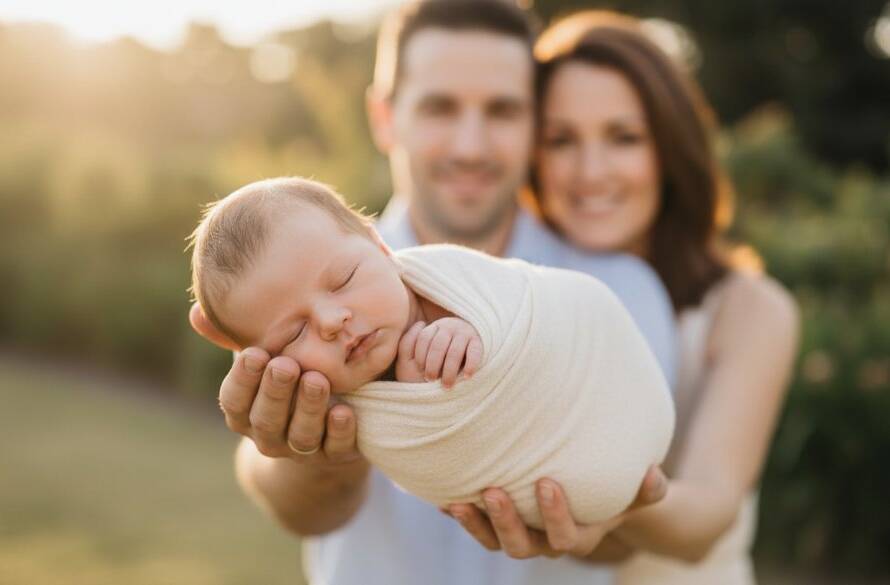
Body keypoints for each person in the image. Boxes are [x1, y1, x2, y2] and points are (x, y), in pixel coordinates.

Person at [189, 2, 676, 584]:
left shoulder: (615, 288)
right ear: (385, 116)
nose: (471, 146)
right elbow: (294, 504)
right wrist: (315, 453)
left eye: (502, 110)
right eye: (440, 108)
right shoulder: (289, 283)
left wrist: (602, 520)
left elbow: (633, 489)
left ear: (533, 124)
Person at [450, 10, 800, 584]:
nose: (591, 172)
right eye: (562, 140)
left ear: (670, 147)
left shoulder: (748, 310)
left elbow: (708, 514)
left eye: (624, 137)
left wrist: (606, 498)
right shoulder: (515, 293)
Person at [189, 176, 673, 531]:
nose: (332, 321)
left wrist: (473, 335)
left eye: (343, 281)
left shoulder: (447, 279)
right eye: (293, 334)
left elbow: (528, 306)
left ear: (381, 247)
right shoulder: (339, 409)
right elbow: (414, 466)